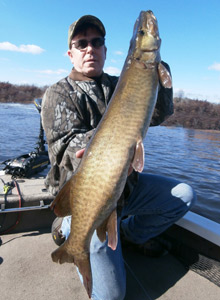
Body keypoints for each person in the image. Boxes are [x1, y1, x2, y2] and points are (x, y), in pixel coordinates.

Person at [41, 15, 196, 300]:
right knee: (112, 295)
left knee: (184, 195)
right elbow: (66, 151)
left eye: (97, 42)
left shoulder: (120, 83)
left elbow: (159, 115)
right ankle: (69, 231)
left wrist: (160, 70)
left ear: (106, 50)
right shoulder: (58, 94)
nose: (90, 48)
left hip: (125, 191)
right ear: (70, 53)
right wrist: (107, 144)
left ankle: (129, 234)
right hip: (86, 201)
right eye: (82, 43)